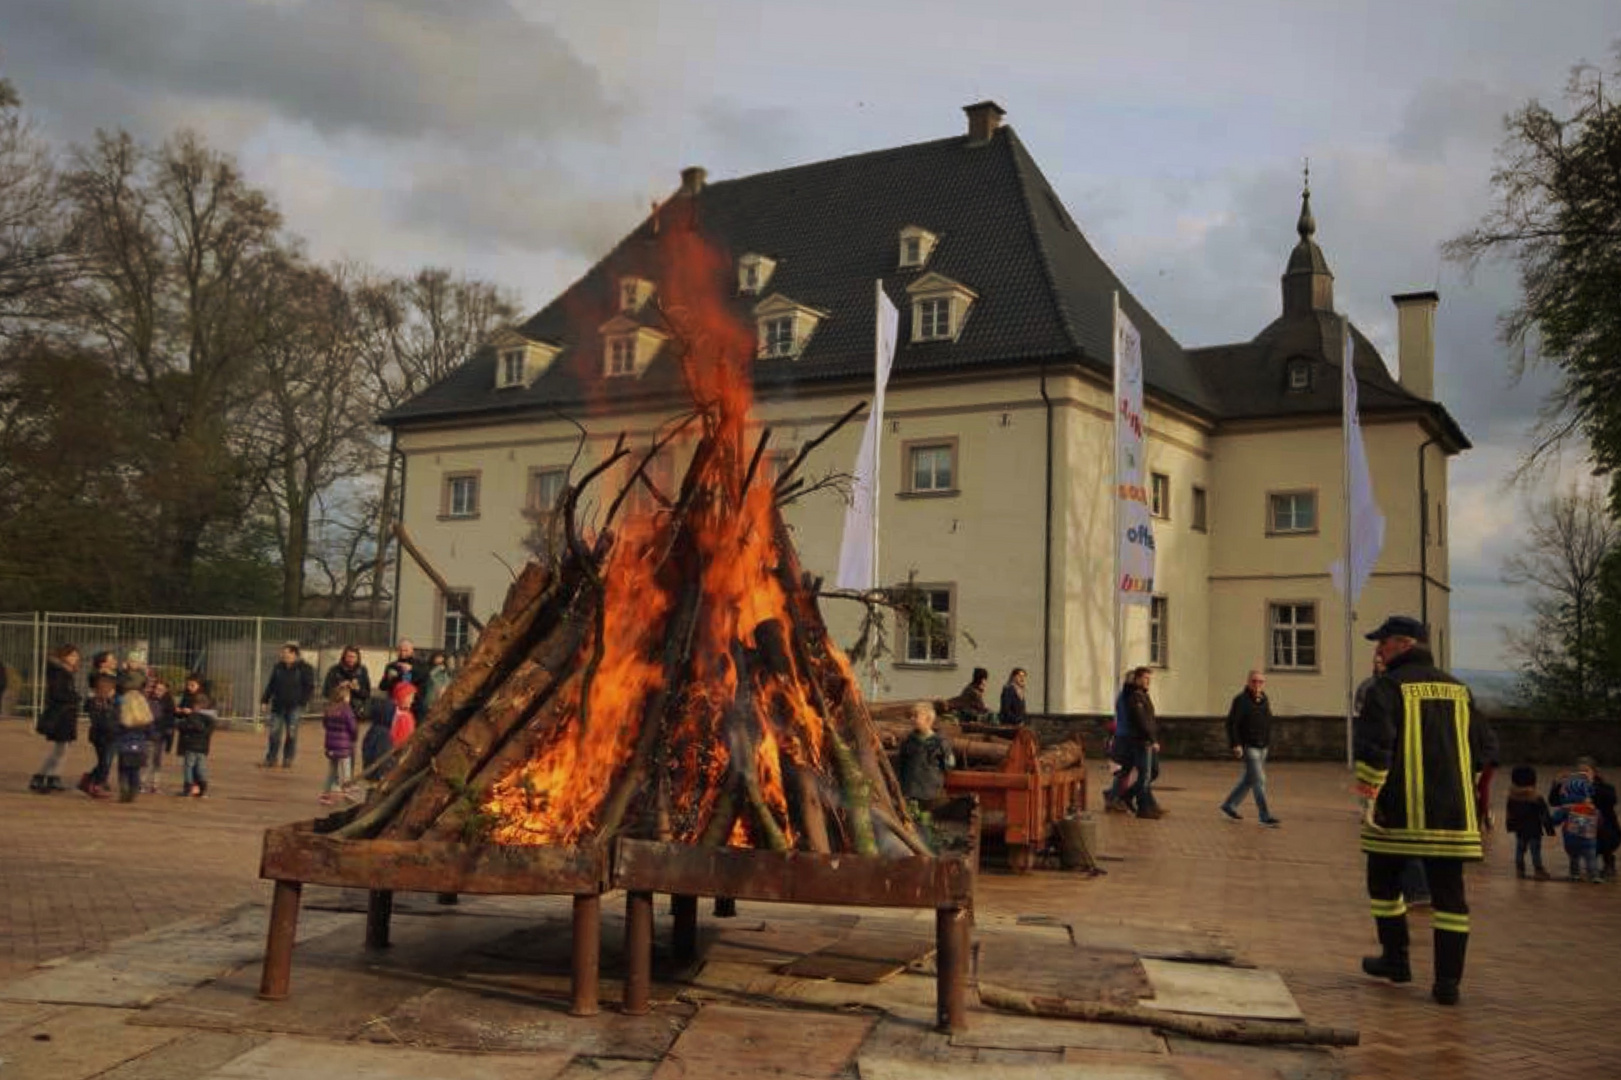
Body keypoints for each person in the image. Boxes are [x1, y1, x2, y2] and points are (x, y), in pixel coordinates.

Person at [1353, 615, 1492, 1007]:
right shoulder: (1459, 689)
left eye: (1383, 642)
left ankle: (1396, 961)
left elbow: (1376, 747)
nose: (1378, 649)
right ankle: (1447, 984)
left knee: (1383, 886)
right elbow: (1484, 750)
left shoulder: (1388, 688)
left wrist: (1368, 795)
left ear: (1404, 644)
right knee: (1451, 900)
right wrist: (1470, 798)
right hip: (1452, 816)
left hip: (1397, 814)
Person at [1220, 670, 1280, 826]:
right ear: (1248, 682)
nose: (1257, 684)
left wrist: (1267, 739)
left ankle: (1229, 805)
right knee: (1260, 780)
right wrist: (1236, 744)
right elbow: (1231, 724)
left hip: (1262, 746)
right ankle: (1264, 816)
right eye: (1254, 681)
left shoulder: (1264, 699)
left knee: (1249, 780)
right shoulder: (1241, 700)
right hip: (1249, 746)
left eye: (1261, 682)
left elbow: (1268, 719)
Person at [30, 643, 81, 794]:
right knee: (61, 749)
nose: (75, 659)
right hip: (61, 714)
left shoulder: (65, 671)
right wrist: (75, 697)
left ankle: (51, 777)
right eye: (72, 655)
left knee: (62, 749)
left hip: (66, 714)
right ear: (64, 656)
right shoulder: (59, 672)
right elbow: (57, 693)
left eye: (76, 656)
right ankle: (42, 777)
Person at [260, 643, 316, 769]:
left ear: (295, 654)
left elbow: (309, 687)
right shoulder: (278, 667)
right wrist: (264, 700)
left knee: (291, 734)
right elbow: (271, 685)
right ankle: (271, 758)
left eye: (287, 653)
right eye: (283, 653)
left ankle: (288, 758)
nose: (284, 655)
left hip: (294, 707)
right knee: (274, 733)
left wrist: (303, 702)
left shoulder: (305, 668)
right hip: (278, 706)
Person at [895, 701, 956, 809]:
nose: (912, 719)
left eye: (916, 716)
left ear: (928, 719)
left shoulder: (940, 743)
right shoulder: (908, 741)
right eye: (911, 716)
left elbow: (948, 766)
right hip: (909, 792)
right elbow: (901, 765)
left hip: (930, 794)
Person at [1550, 765, 1602, 883]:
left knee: (1574, 858)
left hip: (1571, 839)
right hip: (1588, 839)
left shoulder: (1566, 808)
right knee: (1591, 859)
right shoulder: (1591, 808)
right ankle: (1594, 876)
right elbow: (1599, 821)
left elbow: (1555, 820)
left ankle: (1575, 875)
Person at [1124, 667, 1163, 819]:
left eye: (1149, 679)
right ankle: (1143, 808)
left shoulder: (1143, 696)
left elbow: (1149, 720)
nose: (1148, 682)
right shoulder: (1135, 697)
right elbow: (1141, 721)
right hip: (1142, 742)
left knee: (1153, 772)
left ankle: (1127, 795)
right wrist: (1152, 740)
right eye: (1146, 678)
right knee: (1145, 776)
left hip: (1149, 741)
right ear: (1137, 679)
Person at [1504, 765, 1554, 880]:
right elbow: (1544, 815)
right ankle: (1538, 871)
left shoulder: (1512, 796)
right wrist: (1549, 830)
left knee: (1520, 850)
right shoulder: (1536, 797)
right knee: (1535, 851)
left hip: (1519, 829)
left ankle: (1520, 870)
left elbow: (1509, 814)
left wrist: (1510, 826)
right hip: (1534, 830)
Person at [112, 669, 154, 803]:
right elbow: (150, 730)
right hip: (140, 745)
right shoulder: (144, 718)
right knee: (135, 770)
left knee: (123, 769)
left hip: (124, 744)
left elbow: (116, 727)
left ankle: (124, 790)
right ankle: (133, 790)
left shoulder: (122, 710)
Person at [79, 670, 119, 799]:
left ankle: (89, 779)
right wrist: (108, 710)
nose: (113, 692)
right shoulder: (95, 702)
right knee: (104, 761)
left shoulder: (112, 702)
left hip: (112, 735)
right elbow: (98, 720)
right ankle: (96, 785)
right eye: (111, 689)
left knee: (105, 762)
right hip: (101, 736)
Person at [1105, 670, 1139, 813]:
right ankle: (1114, 798)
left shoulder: (1126, 696)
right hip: (1125, 737)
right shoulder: (1126, 696)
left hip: (1125, 736)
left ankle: (1113, 794)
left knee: (1124, 771)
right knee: (1124, 770)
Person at [319, 686, 360, 805]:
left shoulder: (329, 708)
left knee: (331, 770)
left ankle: (325, 794)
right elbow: (353, 727)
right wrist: (354, 738)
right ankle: (347, 791)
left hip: (331, 745)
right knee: (346, 768)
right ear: (345, 697)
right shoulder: (347, 709)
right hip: (344, 745)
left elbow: (325, 724)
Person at [176, 691, 217, 798]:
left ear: (196, 706)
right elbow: (207, 731)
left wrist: (180, 723)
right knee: (201, 767)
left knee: (188, 767)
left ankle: (188, 788)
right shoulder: (211, 719)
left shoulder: (194, 716)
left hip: (191, 745)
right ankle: (203, 787)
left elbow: (186, 726)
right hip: (203, 747)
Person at [379, 639, 428, 720]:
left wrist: (412, 669)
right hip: (396, 707)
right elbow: (382, 686)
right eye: (400, 650)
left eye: (406, 650)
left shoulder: (421, 665)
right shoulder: (392, 666)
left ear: (412, 650)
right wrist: (389, 678)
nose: (402, 653)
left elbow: (425, 676)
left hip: (415, 707)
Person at [143, 676, 176, 794]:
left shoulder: (169, 704)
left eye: (161, 689)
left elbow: (170, 723)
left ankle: (155, 785)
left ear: (166, 691)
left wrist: (169, 740)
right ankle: (142, 784)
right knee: (145, 760)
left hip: (159, 735)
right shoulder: (148, 700)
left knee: (157, 760)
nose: (158, 691)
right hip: (147, 734)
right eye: (157, 689)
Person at [321, 645, 372, 716]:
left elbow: (367, 694)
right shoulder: (334, 670)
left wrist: (357, 689)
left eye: (353, 657)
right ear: (344, 657)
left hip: (356, 711)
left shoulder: (362, 671)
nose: (351, 659)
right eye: (349, 656)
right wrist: (340, 688)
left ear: (358, 658)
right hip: (337, 711)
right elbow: (326, 692)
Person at [360, 691, 397, 779]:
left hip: (370, 772)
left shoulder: (374, 729)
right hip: (377, 775)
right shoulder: (384, 734)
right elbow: (383, 757)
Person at [1592, 762, 1619, 881]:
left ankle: (1609, 863)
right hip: (1586, 829)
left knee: (1604, 833)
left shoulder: (1607, 788)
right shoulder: (1578, 788)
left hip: (1608, 832)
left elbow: (1612, 800)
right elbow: (1556, 801)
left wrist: (1596, 786)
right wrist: (1557, 784)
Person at [389, 683, 419, 748]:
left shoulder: (406, 714)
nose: (412, 700)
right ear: (402, 697)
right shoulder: (403, 717)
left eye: (412, 698)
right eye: (410, 697)